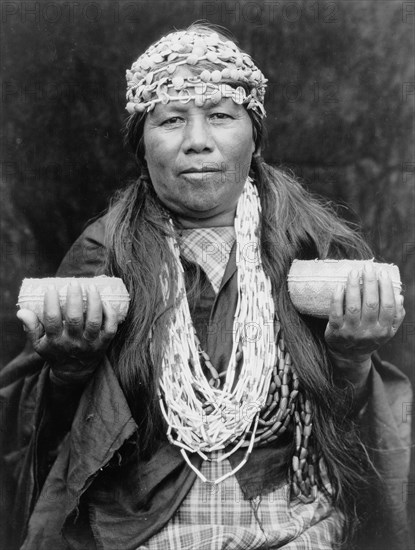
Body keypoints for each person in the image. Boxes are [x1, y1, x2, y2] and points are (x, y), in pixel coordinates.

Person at [0, 22, 411, 550]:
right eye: (172, 120)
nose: (198, 142)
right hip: (142, 529)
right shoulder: (104, 255)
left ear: (254, 134)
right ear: (141, 145)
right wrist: (69, 368)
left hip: (295, 525)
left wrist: (352, 359)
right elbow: (44, 435)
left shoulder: (313, 247)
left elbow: (356, 425)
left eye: (220, 115)